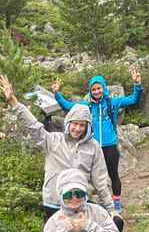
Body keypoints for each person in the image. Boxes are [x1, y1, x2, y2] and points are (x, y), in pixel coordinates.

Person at [0, 75, 137, 232]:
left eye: (82, 125)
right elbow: (34, 126)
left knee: (116, 222)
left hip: (80, 201)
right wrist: (13, 101)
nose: (77, 129)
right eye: (74, 124)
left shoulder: (93, 148)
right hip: (55, 202)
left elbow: (100, 181)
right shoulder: (52, 141)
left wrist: (110, 208)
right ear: (68, 122)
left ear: (87, 126)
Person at [52, 68, 143, 215]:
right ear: (90, 91)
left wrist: (137, 84)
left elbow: (133, 99)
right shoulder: (86, 106)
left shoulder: (112, 103)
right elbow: (67, 106)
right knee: (88, 177)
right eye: (93, 89)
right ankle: (87, 202)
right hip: (91, 147)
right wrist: (57, 94)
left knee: (113, 175)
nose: (96, 92)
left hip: (110, 146)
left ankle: (116, 201)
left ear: (104, 88)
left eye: (99, 88)